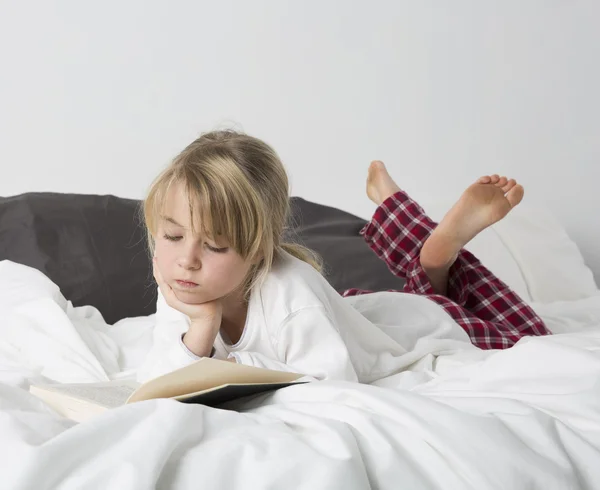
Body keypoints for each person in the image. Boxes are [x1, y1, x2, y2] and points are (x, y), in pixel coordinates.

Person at [136, 130, 550, 383]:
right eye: (172, 235)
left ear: (260, 249)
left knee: (529, 334)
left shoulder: (292, 296)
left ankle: (432, 254)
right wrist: (204, 326)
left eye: (214, 245)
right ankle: (423, 248)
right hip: (354, 314)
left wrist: (228, 361)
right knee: (419, 290)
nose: (186, 259)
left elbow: (330, 387)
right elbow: (158, 383)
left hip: (425, 325)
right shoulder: (185, 283)